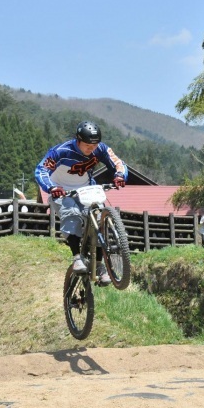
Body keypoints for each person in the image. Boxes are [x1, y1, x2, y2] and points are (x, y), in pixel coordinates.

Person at [34, 121, 128, 285]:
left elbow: (118, 162)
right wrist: (51, 187)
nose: (91, 149)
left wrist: (120, 175)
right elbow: (41, 169)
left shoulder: (101, 149)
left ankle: (99, 266)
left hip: (86, 189)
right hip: (61, 191)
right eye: (87, 145)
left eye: (94, 145)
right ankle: (77, 257)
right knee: (72, 214)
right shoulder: (61, 151)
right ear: (78, 140)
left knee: (99, 218)